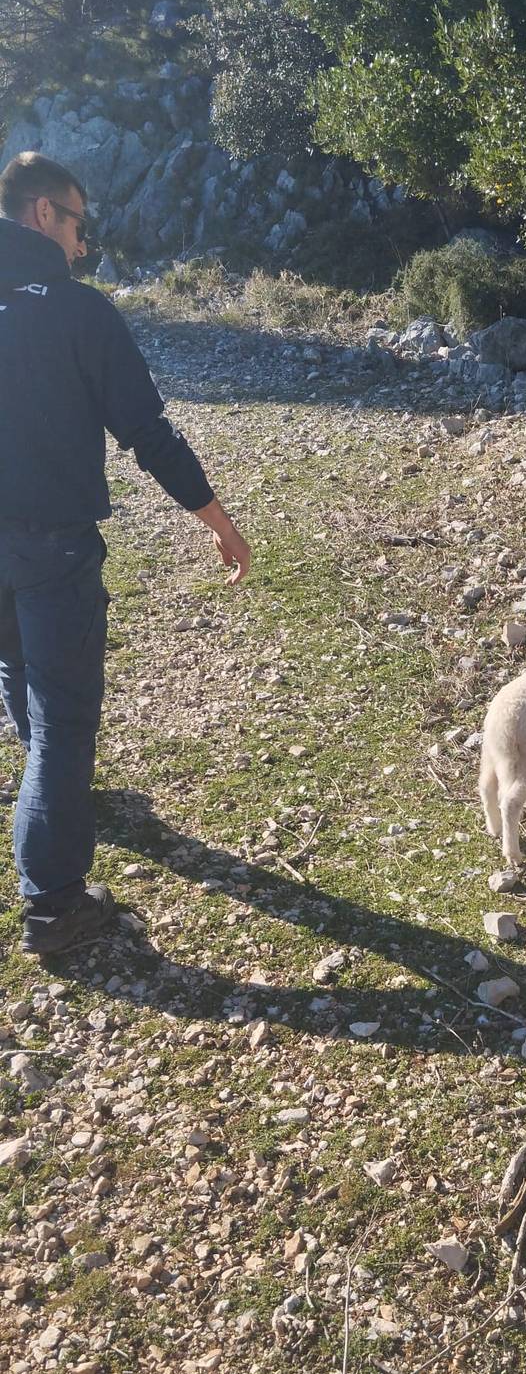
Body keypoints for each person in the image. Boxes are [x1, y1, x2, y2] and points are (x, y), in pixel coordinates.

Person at [0, 151, 251, 956]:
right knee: (66, 719)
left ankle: (52, 796)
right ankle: (54, 907)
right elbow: (146, 432)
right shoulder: (79, 312)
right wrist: (216, 518)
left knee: (19, 679)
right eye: (79, 223)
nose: (82, 241)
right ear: (43, 215)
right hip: (51, 545)